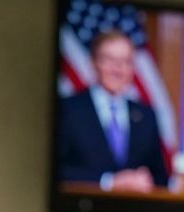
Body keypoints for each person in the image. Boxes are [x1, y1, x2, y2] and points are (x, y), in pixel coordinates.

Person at [57, 30, 169, 192]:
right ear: (94, 63)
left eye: (126, 61)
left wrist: (145, 181)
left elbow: (160, 178)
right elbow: (55, 170)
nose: (118, 69)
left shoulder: (146, 116)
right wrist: (108, 182)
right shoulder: (68, 109)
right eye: (109, 60)